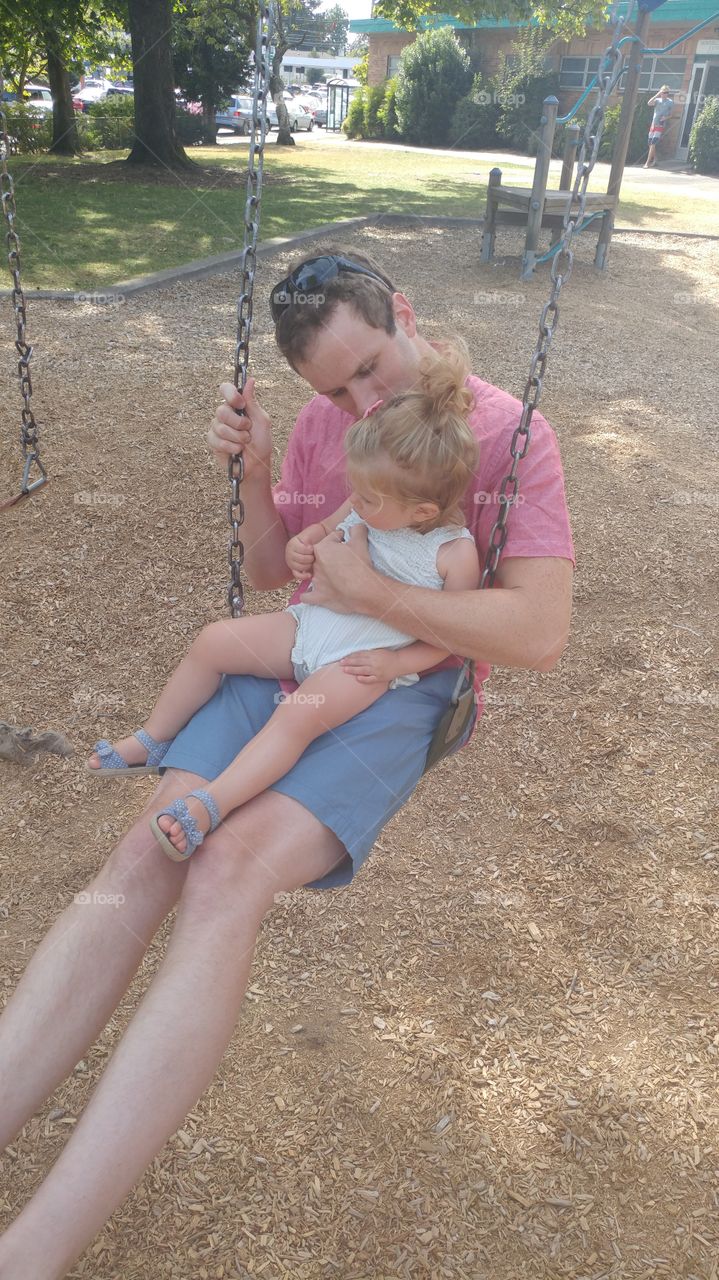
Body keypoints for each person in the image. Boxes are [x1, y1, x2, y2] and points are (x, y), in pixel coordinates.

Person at [0, 249, 574, 1279]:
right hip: (301, 645)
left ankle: (29, 1255)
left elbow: (535, 633)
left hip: (396, 686)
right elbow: (272, 568)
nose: (360, 404)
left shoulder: (508, 434)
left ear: (403, 312)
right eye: (333, 391)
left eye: (369, 368)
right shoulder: (324, 422)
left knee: (227, 866)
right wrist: (259, 469)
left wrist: (375, 595)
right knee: (145, 853)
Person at [86, 343, 482, 860]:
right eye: (355, 490)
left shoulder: (453, 555)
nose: (355, 501)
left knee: (297, 717)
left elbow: (450, 635)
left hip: (361, 665)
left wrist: (395, 665)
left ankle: (211, 804)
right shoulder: (368, 499)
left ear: (423, 510)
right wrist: (303, 545)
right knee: (214, 642)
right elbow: (322, 529)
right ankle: (154, 738)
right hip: (310, 624)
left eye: (365, 498)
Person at [645, 84, 674, 168]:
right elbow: (649, 103)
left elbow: (671, 115)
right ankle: (655, 160)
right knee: (650, 143)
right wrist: (657, 94)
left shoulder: (670, 102)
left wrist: (665, 117)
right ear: (661, 92)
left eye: (667, 92)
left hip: (660, 124)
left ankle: (647, 163)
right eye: (664, 92)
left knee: (653, 143)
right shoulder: (657, 100)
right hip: (653, 124)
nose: (666, 94)